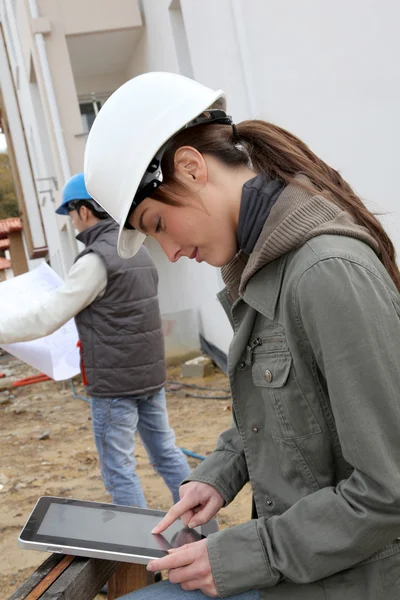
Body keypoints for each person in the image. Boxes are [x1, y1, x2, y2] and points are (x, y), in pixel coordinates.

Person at [83, 72, 400, 599]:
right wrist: (219, 474)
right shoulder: (262, 267)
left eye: (158, 224)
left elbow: (389, 489)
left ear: (190, 167)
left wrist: (244, 554)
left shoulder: (325, 273)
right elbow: (292, 414)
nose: (172, 252)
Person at [0, 172, 190, 509]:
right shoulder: (139, 252)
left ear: (84, 210)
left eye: (71, 214)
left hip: (115, 387)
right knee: (166, 454)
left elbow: (46, 318)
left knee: (119, 470)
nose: (72, 222)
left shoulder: (95, 261)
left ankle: (137, 555)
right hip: (150, 378)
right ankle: (202, 527)